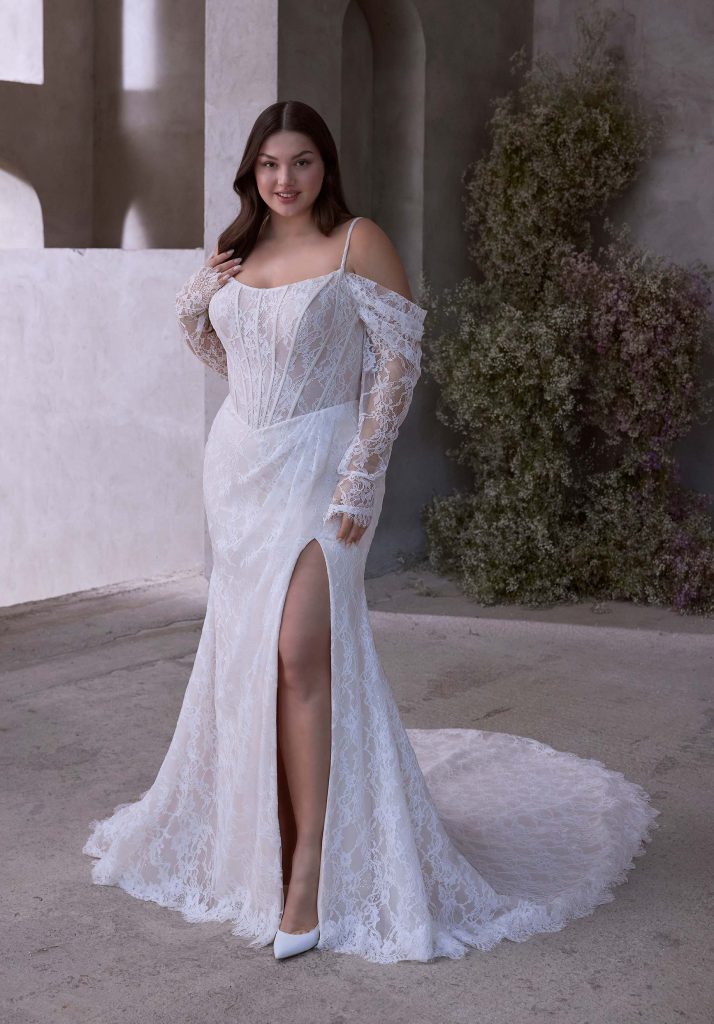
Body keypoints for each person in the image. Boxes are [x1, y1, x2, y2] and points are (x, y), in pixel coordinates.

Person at [82, 100, 660, 965]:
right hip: (239, 468)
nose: (285, 179)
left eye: (303, 161)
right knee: (250, 655)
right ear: (252, 170)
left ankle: (310, 873)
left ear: (327, 167)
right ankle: (263, 845)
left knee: (299, 651)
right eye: (271, 164)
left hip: (324, 470)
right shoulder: (239, 249)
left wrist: (363, 471)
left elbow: (398, 362)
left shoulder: (358, 242)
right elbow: (234, 358)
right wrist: (197, 304)